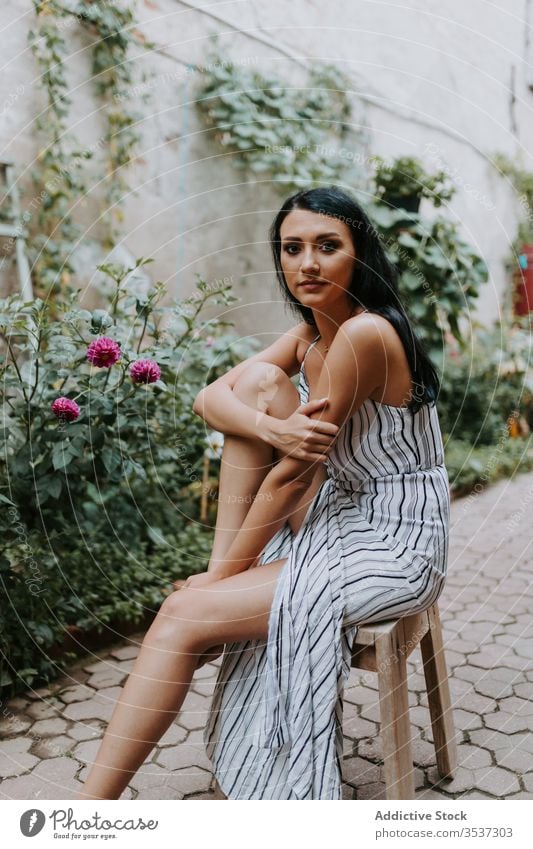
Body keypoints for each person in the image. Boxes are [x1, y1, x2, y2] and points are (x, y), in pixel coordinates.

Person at [77, 185, 450, 801]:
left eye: (328, 247)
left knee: (181, 616)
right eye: (292, 248)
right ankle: (223, 577)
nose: (307, 263)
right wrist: (273, 425)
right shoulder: (310, 336)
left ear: (360, 255)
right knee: (257, 386)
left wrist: (217, 583)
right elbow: (210, 399)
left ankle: (88, 816)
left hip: (395, 537)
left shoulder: (365, 335)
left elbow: (293, 476)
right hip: (337, 510)